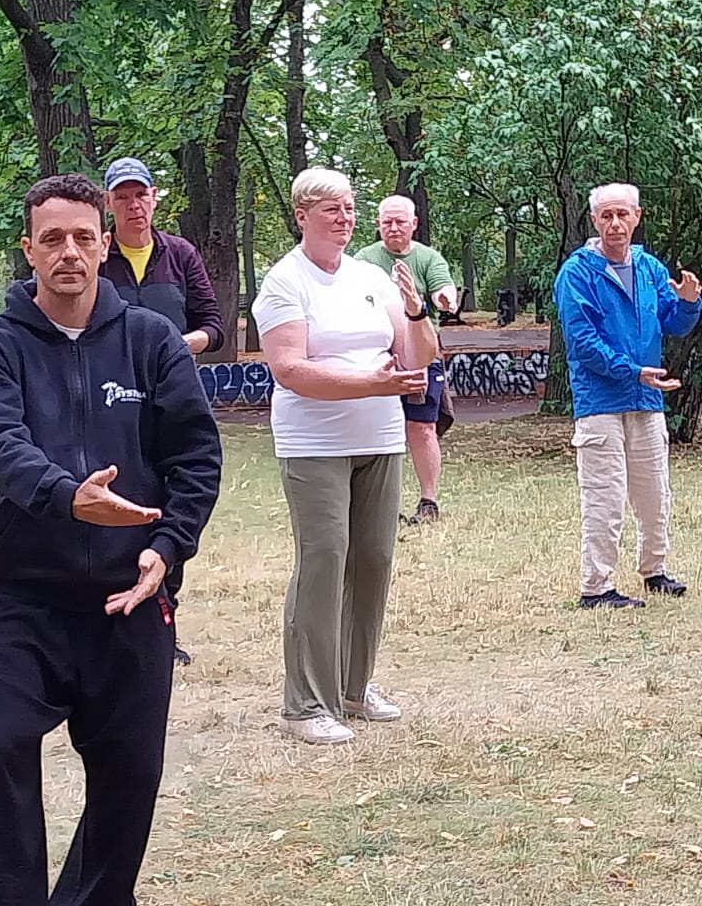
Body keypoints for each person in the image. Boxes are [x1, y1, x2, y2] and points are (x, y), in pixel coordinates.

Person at [0, 172, 222, 906]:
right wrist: (69, 496)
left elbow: (196, 460)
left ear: (108, 243)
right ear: (27, 249)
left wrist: (165, 553)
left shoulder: (151, 340)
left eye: (84, 237)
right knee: (2, 749)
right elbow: (0, 444)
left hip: (131, 597)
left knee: (131, 766)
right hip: (25, 598)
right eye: (51, 238)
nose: (69, 252)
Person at [253, 167, 438, 744]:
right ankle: (306, 703)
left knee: (374, 559)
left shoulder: (370, 277)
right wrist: (373, 385)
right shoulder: (285, 282)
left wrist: (415, 312)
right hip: (315, 443)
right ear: (302, 215)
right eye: (332, 208)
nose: (345, 218)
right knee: (325, 559)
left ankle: (354, 689)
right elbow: (290, 369)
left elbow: (418, 355)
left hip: (379, 438)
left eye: (351, 207)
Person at [554, 183, 702, 608]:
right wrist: (634, 372)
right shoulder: (578, 273)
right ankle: (596, 587)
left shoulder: (651, 268)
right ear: (595, 220)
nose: (615, 224)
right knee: (605, 497)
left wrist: (690, 302)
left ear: (638, 217)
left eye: (623, 215)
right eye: (607, 216)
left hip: (647, 399)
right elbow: (582, 342)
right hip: (601, 402)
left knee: (655, 494)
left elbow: (673, 323)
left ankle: (655, 571)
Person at [100, 154, 224, 665]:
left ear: (155, 199)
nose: (133, 205)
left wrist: (174, 344)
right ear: (109, 204)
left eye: (141, 195)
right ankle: (113, 612)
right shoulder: (98, 256)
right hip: (110, 400)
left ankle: (164, 616)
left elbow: (213, 326)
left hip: (173, 397)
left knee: (172, 503)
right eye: (122, 197)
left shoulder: (180, 254)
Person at [355, 195, 458, 523]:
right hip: (376, 355)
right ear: (378, 224)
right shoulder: (363, 260)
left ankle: (429, 501)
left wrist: (444, 299)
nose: (393, 227)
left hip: (421, 354)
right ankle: (383, 504)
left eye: (400, 221)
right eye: (387, 222)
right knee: (378, 427)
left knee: (422, 426)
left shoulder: (429, 258)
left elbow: (446, 292)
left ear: (414, 224)